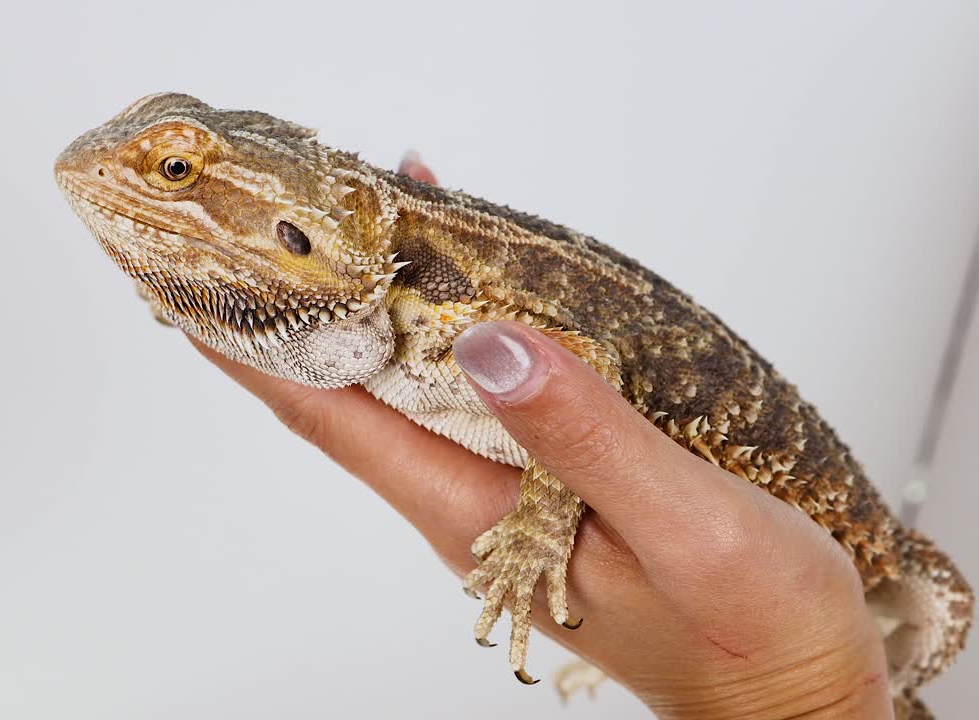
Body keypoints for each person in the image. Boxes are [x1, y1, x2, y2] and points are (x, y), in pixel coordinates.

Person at [190, 154, 894, 719]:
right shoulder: (392, 309)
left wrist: (807, 693)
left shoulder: (440, 306)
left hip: (867, 552)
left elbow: (584, 376)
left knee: (936, 606)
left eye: (175, 172)